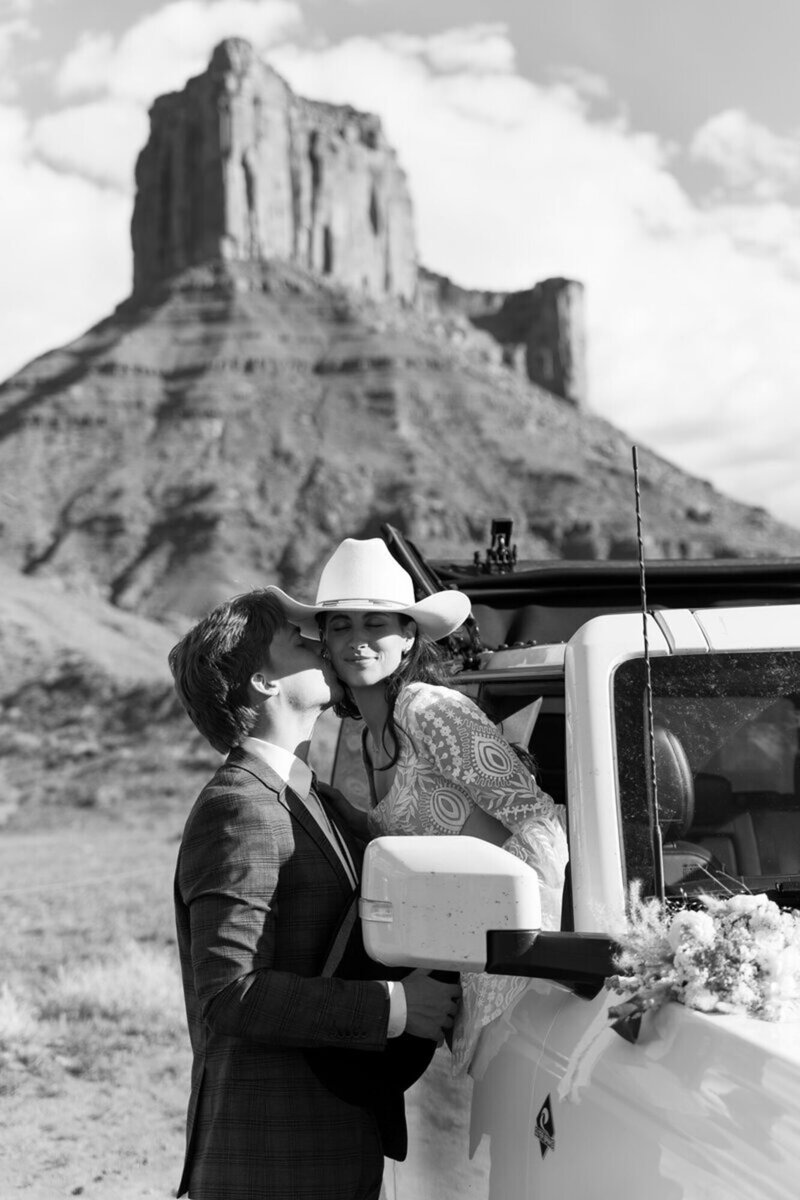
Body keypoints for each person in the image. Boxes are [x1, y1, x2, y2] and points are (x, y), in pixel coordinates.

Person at [169, 588, 461, 1200]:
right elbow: (231, 993)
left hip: (326, 1144)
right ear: (263, 682)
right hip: (272, 1159)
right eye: (299, 640)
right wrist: (398, 1007)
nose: (321, 643)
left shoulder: (310, 798)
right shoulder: (240, 807)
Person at [273, 538, 569, 1073]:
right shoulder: (366, 738)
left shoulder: (428, 709)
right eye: (341, 627)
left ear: (409, 636)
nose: (357, 641)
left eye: (375, 624)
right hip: (454, 976)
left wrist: (519, 959)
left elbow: (539, 821)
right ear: (324, 641)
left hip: (512, 975)